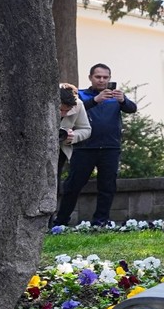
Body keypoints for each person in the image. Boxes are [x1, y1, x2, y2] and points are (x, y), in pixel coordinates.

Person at [52, 64, 137, 227]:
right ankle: (61, 222)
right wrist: (96, 100)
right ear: (90, 77)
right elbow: (75, 107)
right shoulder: (81, 95)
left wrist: (123, 100)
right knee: (73, 186)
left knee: (108, 187)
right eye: (98, 77)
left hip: (110, 148)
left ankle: (100, 222)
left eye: (106, 77)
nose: (102, 80)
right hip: (84, 148)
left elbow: (132, 109)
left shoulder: (116, 97)